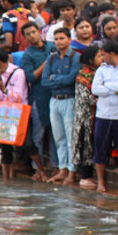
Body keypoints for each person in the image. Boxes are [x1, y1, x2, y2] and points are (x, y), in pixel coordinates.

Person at [90, 39, 118, 192]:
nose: (102, 58)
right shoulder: (101, 69)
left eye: (103, 55)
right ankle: (101, 181)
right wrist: (116, 89)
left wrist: (107, 87)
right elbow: (95, 89)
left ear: (112, 54)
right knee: (100, 148)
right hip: (104, 113)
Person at [43, 27, 82, 184]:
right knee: (58, 136)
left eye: (62, 38)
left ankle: (72, 171)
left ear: (69, 39)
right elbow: (45, 80)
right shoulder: (51, 58)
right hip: (54, 99)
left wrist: (55, 78)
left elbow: (72, 78)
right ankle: (62, 168)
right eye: (56, 39)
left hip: (69, 99)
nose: (59, 42)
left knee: (70, 136)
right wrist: (58, 79)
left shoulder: (75, 57)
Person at [19, 22, 55, 181]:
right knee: (38, 135)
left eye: (34, 32)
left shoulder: (53, 46)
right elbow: (31, 77)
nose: (32, 36)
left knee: (55, 134)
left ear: (39, 32)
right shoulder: (27, 55)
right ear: (25, 38)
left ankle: (57, 166)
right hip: (38, 98)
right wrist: (47, 64)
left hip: (55, 95)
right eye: (28, 34)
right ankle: (38, 169)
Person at [0, 47, 26, 181]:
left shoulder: (18, 73)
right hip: (4, 110)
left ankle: (40, 169)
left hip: (18, 111)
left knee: (28, 143)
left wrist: (3, 89)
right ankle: (6, 178)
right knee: (4, 146)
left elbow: (19, 97)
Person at [70, 46, 101, 190]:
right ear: (90, 59)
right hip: (85, 115)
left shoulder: (99, 73)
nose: (102, 59)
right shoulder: (83, 75)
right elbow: (85, 97)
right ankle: (85, 176)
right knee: (85, 143)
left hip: (96, 113)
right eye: (99, 56)